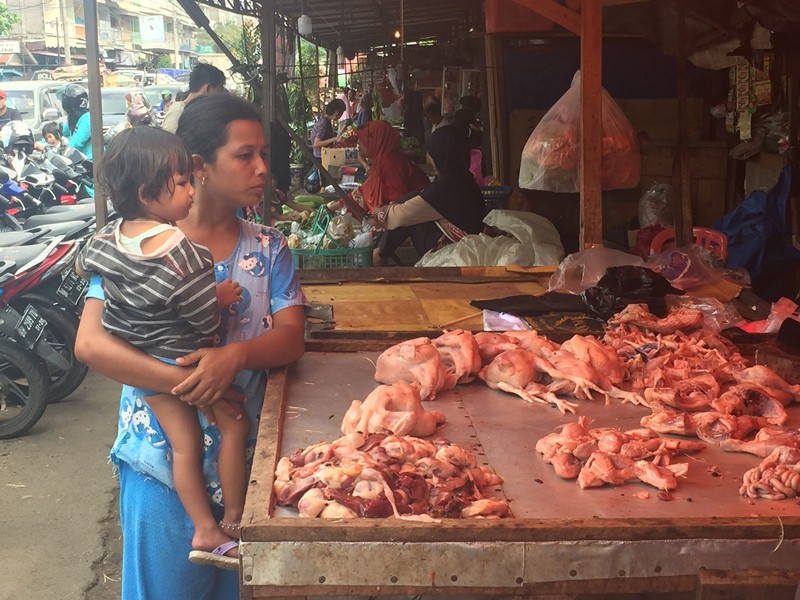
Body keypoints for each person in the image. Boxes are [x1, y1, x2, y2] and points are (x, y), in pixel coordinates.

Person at [74, 93, 308, 599]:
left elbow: (292, 337)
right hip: (160, 465)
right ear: (198, 167)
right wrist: (194, 383)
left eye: (263, 153)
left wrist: (236, 356)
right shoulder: (137, 246)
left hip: (250, 469)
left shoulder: (270, 246)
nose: (263, 168)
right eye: (245, 155)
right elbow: (91, 345)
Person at [76, 126, 249, 572]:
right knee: (230, 425)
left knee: (183, 445)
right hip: (183, 363)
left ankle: (208, 528)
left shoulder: (106, 240)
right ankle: (228, 523)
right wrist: (221, 298)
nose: (191, 190)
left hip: (145, 370)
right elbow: (202, 319)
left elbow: (83, 266)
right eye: (182, 181)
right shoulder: (186, 255)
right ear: (146, 191)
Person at [372, 125, 485, 265]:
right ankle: (380, 252)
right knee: (409, 203)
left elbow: (399, 216)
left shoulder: (447, 187)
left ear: (441, 154)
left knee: (406, 209)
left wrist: (379, 213)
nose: (428, 157)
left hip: (457, 253)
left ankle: (379, 254)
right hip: (466, 246)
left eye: (431, 153)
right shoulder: (461, 179)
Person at [331, 120, 428, 215]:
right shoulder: (381, 161)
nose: (359, 143)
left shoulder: (391, 164)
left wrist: (380, 214)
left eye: (364, 139)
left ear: (376, 141)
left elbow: (399, 205)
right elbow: (363, 192)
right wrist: (331, 207)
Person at [161, 63, 226, 133]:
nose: (222, 94)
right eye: (220, 89)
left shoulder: (202, 112)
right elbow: (168, 142)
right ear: (208, 88)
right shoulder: (178, 112)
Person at [61, 83, 93, 159]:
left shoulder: (87, 118)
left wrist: (62, 151)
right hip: (79, 159)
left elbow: (77, 141)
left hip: (91, 160)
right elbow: (60, 132)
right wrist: (44, 143)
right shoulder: (74, 118)